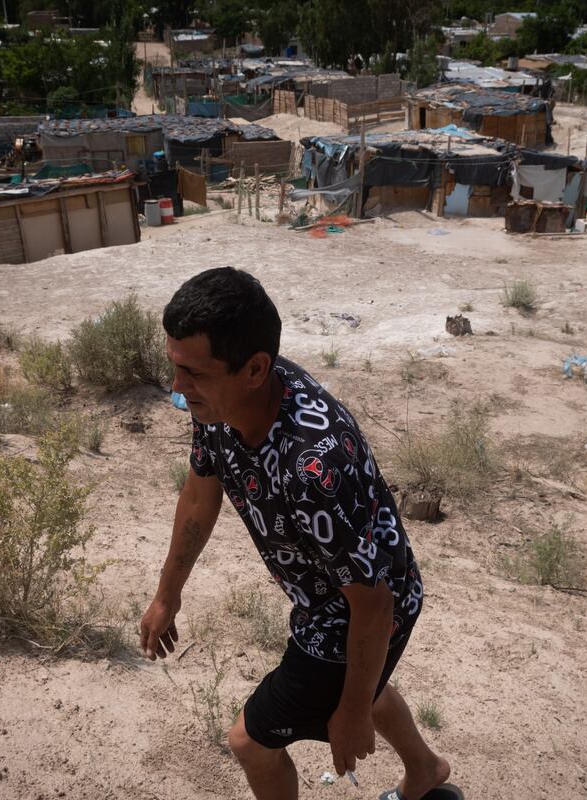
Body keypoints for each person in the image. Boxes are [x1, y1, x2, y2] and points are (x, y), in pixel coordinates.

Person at [140, 268, 453, 800]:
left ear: (256, 369)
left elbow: (373, 608)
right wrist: (166, 596)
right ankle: (425, 772)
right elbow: (200, 494)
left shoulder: (311, 464)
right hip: (338, 596)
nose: (177, 387)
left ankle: (393, 738)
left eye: (192, 373)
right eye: (175, 367)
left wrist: (351, 716)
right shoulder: (221, 399)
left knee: (250, 742)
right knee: (363, 681)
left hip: (357, 609)